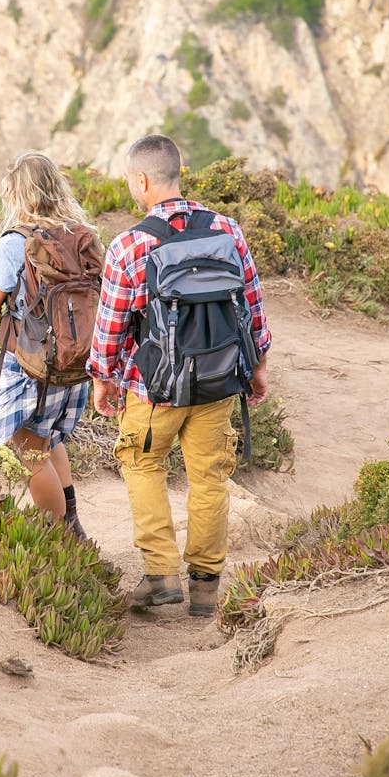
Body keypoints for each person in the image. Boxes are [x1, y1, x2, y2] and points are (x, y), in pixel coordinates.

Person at [87, 135, 271, 617]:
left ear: (142, 180)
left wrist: (103, 379)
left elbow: (110, 327)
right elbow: (251, 307)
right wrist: (256, 368)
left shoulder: (129, 245)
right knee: (209, 477)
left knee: (143, 464)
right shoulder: (227, 230)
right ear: (180, 171)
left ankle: (161, 574)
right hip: (218, 380)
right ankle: (206, 589)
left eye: (130, 180)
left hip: (155, 388)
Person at [0, 150, 101, 537]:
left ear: (16, 195)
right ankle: (73, 525)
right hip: (75, 358)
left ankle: (57, 541)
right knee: (47, 437)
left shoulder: (16, 242)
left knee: (29, 447)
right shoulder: (81, 235)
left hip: (31, 361)